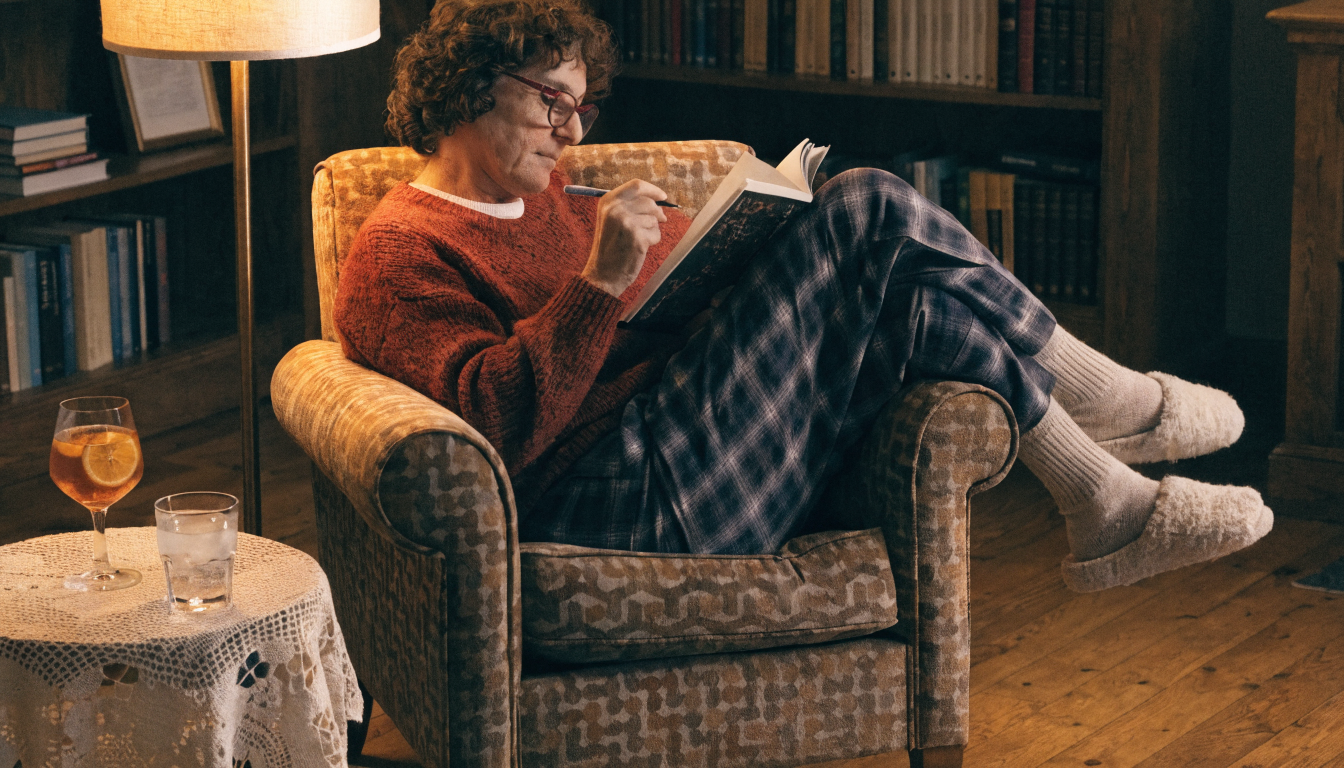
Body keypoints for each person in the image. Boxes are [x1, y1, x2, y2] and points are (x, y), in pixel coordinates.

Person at [334, 0, 1270, 593]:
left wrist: (719, 271)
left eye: (583, 107)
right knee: (864, 202)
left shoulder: (551, 196)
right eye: (550, 101)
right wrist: (600, 284)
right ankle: (1109, 406)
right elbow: (493, 422)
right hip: (613, 504)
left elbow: (633, 340)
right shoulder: (398, 253)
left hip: (682, 446)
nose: (569, 130)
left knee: (918, 306)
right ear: (466, 88)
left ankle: (1107, 504)